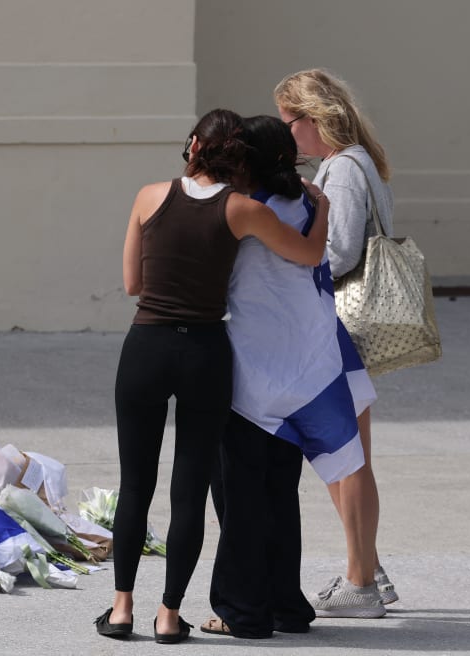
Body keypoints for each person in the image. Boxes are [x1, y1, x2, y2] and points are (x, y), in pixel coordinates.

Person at [94, 109, 330, 644]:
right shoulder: (243, 209)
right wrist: (322, 207)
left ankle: (122, 608)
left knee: (137, 483)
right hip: (204, 350)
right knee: (190, 488)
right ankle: (169, 615)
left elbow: (133, 283)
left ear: (194, 144)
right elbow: (309, 253)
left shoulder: (148, 195)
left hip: (146, 346)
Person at [202, 114, 376, 639]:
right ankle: (286, 607)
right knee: (279, 495)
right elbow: (315, 250)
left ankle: (242, 611)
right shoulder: (304, 203)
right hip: (311, 371)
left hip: (256, 377)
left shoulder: (246, 214)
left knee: (238, 498)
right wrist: (321, 205)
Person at [274, 68, 397, 617]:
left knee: (345, 458)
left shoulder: (342, 169)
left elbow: (341, 252)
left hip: (339, 327)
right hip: (347, 326)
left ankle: (361, 581)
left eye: (288, 122)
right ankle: (366, 567)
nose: (286, 135)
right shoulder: (358, 161)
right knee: (347, 455)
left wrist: (289, 256)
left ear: (312, 117)